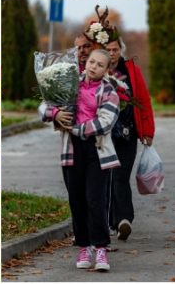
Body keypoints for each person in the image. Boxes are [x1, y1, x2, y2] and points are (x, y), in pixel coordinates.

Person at [39, 49, 120, 272]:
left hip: (97, 151)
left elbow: (106, 121)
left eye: (100, 64)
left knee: (96, 200)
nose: (93, 66)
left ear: (107, 70)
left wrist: (76, 128)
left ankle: (101, 248)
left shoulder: (108, 91)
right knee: (77, 201)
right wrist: (55, 114)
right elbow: (43, 108)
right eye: (91, 62)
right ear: (85, 63)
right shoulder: (69, 83)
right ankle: (84, 246)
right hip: (71, 151)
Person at [104, 36, 155, 241]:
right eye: (108, 50)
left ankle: (124, 220)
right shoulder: (97, 69)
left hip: (128, 133)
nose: (112, 53)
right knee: (108, 178)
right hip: (105, 134)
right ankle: (112, 221)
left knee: (120, 175)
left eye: (115, 49)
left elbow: (143, 99)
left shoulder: (132, 71)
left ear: (121, 51)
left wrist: (148, 131)